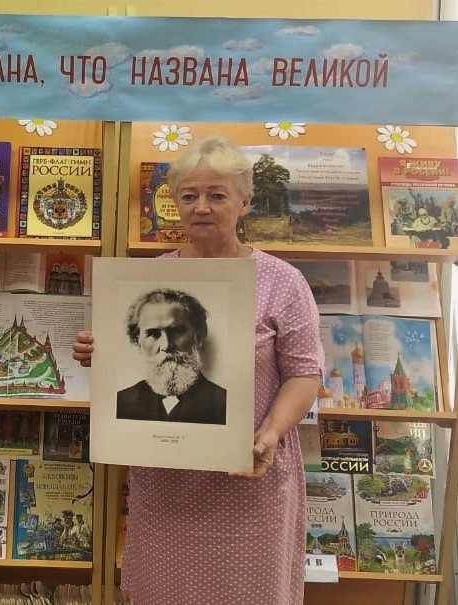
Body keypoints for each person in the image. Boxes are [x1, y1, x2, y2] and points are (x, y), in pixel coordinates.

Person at [73, 135, 323, 605]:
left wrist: (270, 434)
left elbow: (305, 373)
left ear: (245, 201)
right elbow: (130, 360)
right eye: (189, 196)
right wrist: (99, 351)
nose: (201, 207)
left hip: (249, 478)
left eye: (217, 195)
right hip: (167, 484)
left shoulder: (284, 282)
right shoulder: (146, 280)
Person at [116, 288, 227, 424]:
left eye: (176, 331)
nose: (166, 345)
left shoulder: (224, 403)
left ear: (198, 337)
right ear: (137, 341)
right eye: (153, 334)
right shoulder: (121, 403)